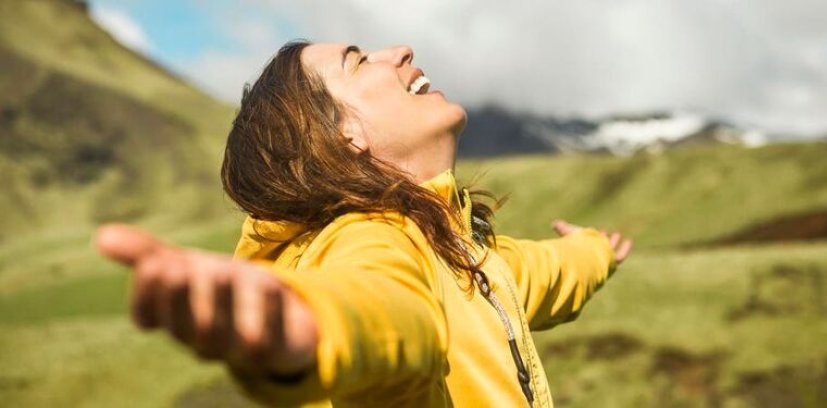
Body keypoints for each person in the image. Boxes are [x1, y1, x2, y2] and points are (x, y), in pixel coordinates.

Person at [96, 41, 632, 407]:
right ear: (342, 134)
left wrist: (595, 250)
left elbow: (538, 272)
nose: (400, 51)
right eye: (357, 61)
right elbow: (382, 305)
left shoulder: (457, 248)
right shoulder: (372, 236)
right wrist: (313, 327)